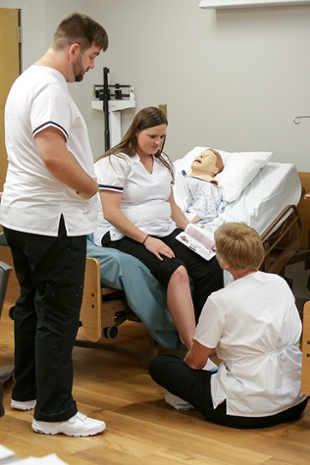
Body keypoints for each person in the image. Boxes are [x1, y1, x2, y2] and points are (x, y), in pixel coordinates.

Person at [0, 12, 109, 436]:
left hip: (22, 218)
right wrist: (89, 188)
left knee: (29, 306)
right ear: (74, 49)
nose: (92, 67)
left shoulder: (24, 81)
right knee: (58, 318)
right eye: (93, 56)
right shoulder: (50, 86)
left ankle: (26, 392)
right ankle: (55, 413)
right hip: (53, 222)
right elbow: (52, 154)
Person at [149, 222, 308, 429]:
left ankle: (187, 397)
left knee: (160, 364)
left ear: (222, 262)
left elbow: (197, 362)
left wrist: (192, 366)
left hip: (244, 411)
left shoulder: (220, 300)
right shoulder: (279, 283)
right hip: (296, 401)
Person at [94, 107, 223, 349]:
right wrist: (146, 240)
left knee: (211, 266)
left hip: (163, 230)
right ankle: (192, 348)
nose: (158, 142)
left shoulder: (163, 166)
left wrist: (206, 241)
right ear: (136, 132)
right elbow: (111, 212)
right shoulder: (116, 162)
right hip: (124, 234)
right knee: (177, 271)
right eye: (152, 136)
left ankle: (206, 337)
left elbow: (175, 212)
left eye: (162, 137)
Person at [182, 148, 226, 224]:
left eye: (207, 156)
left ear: (215, 170)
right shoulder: (178, 176)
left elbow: (203, 209)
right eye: (200, 155)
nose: (201, 156)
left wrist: (181, 222)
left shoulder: (208, 186)